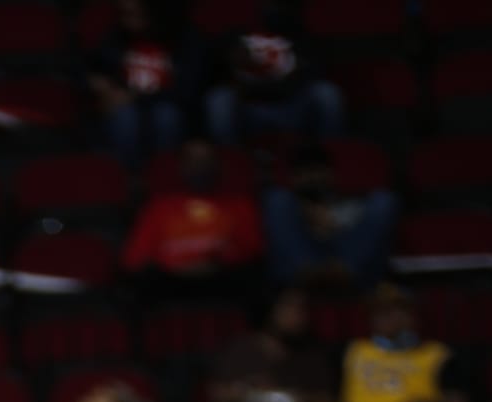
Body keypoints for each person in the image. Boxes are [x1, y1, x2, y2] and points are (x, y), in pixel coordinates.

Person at [122, 141, 262, 299]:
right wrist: (174, 266)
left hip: (223, 278)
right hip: (169, 281)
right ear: (182, 166)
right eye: (193, 159)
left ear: (217, 164)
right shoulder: (159, 208)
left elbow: (252, 249)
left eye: (205, 159)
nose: (200, 166)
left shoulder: (239, 205)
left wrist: (216, 262)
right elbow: (134, 258)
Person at [207, 288, 336, 402]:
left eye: (301, 309)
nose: (298, 316)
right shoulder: (242, 348)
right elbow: (216, 395)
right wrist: (247, 389)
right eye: (289, 308)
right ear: (270, 310)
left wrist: (296, 398)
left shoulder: (312, 352)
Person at [206, 7, 344, 149]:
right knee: (219, 99)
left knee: (326, 93)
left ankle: (329, 154)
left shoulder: (300, 35)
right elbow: (215, 69)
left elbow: (314, 71)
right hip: (250, 108)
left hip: (291, 107)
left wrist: (287, 78)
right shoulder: (236, 35)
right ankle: (229, 156)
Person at [263, 152, 397, 294]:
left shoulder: (352, 202)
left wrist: (334, 222)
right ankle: (308, 271)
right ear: (293, 178)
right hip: (301, 270)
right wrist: (307, 216)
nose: (312, 178)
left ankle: (344, 270)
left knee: (384, 201)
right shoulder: (286, 209)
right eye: (305, 173)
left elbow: (361, 235)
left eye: (318, 171)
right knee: (275, 199)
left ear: (331, 175)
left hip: (346, 265)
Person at [87, 0, 198, 164]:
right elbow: (92, 66)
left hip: (167, 104)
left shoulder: (184, 38)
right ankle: (128, 177)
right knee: (125, 116)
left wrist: (134, 96)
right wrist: (98, 83)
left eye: (134, 13)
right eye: (123, 14)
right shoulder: (116, 37)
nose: (127, 20)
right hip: (126, 107)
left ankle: (162, 172)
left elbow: (187, 91)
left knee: (166, 116)